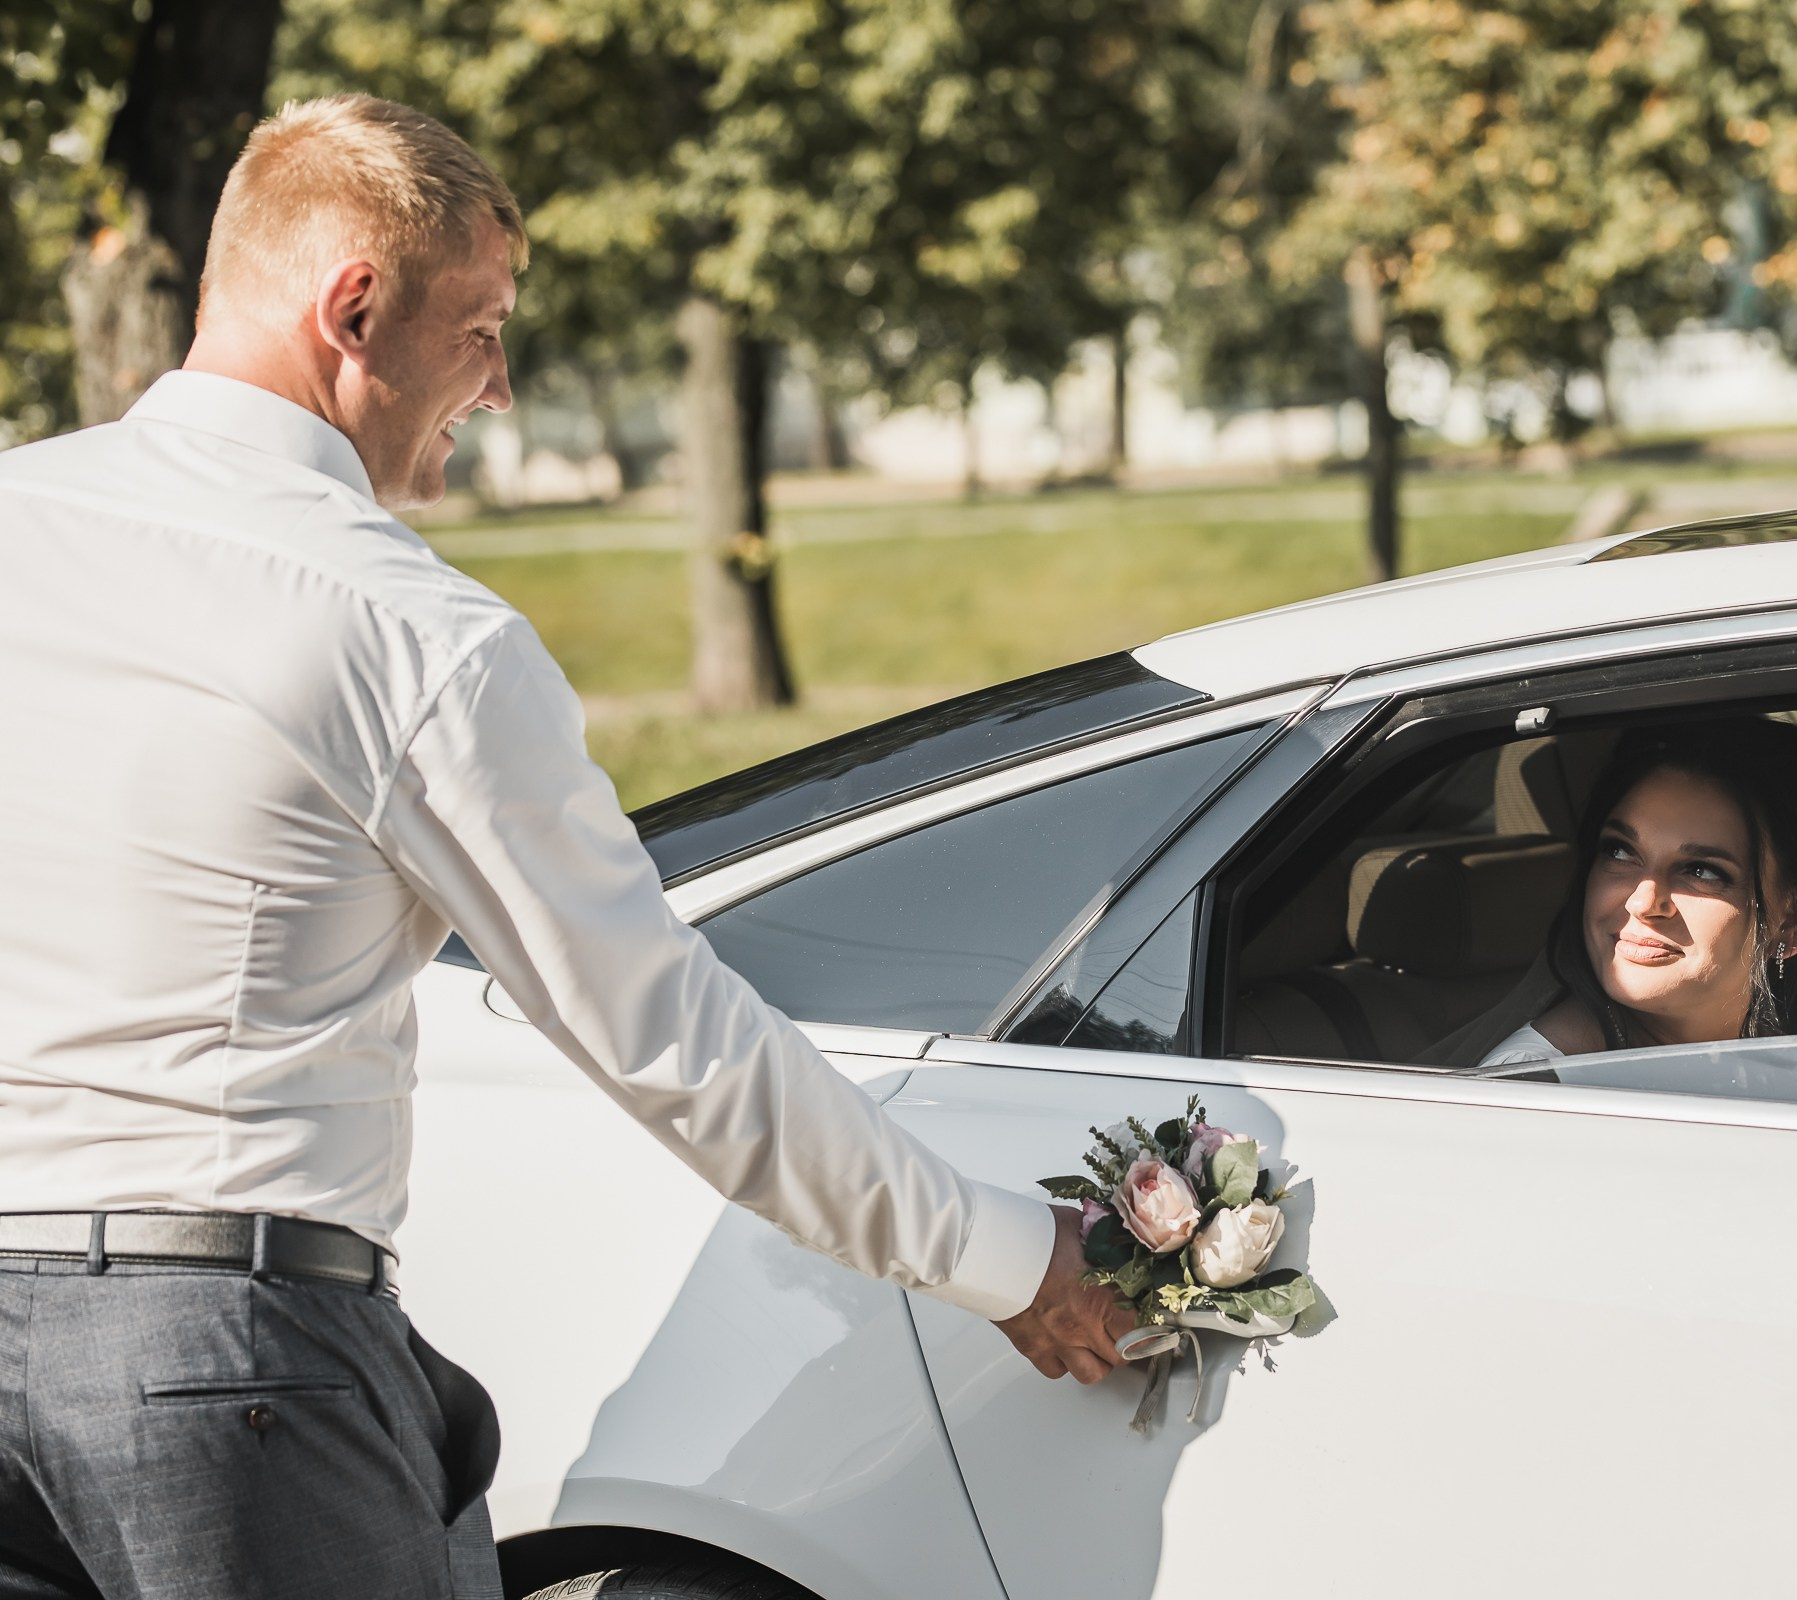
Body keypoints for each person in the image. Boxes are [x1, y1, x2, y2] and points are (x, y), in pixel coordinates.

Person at [0, 95, 1128, 1600]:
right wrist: (1004, 1254)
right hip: (219, 1366)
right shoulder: (409, 630)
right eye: (482, 327)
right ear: (355, 309)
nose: (503, 384)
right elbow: (671, 1037)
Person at [1480, 716, 1797, 1069]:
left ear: (1794, 921)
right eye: (1620, 851)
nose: (1642, 902)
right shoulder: (1533, 1090)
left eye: (1701, 871)